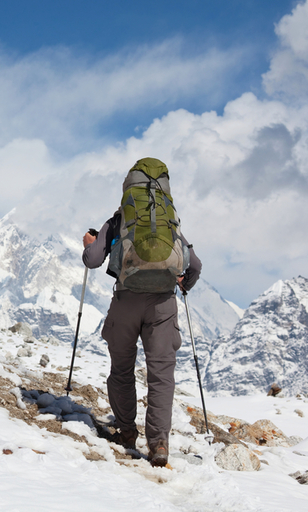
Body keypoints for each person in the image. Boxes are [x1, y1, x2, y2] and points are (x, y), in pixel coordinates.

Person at [82, 160, 201, 468]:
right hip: (162, 304)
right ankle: (159, 443)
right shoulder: (170, 225)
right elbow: (195, 265)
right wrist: (181, 283)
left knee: (122, 369)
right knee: (161, 376)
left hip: (125, 302)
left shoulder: (120, 219)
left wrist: (89, 245)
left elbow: (93, 261)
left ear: (128, 189)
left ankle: (125, 431)